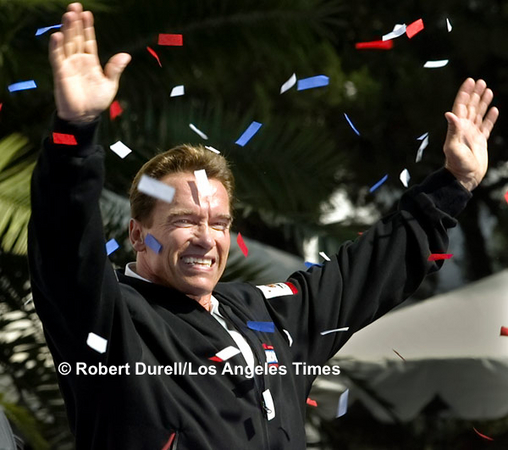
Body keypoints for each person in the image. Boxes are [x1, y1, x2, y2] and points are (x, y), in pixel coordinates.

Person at [27, 3, 499, 450]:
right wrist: (75, 132)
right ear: (136, 235)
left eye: (218, 222)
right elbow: (65, 242)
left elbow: (365, 270)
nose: (205, 238)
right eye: (184, 221)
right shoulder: (106, 316)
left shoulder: (267, 314)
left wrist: (454, 183)